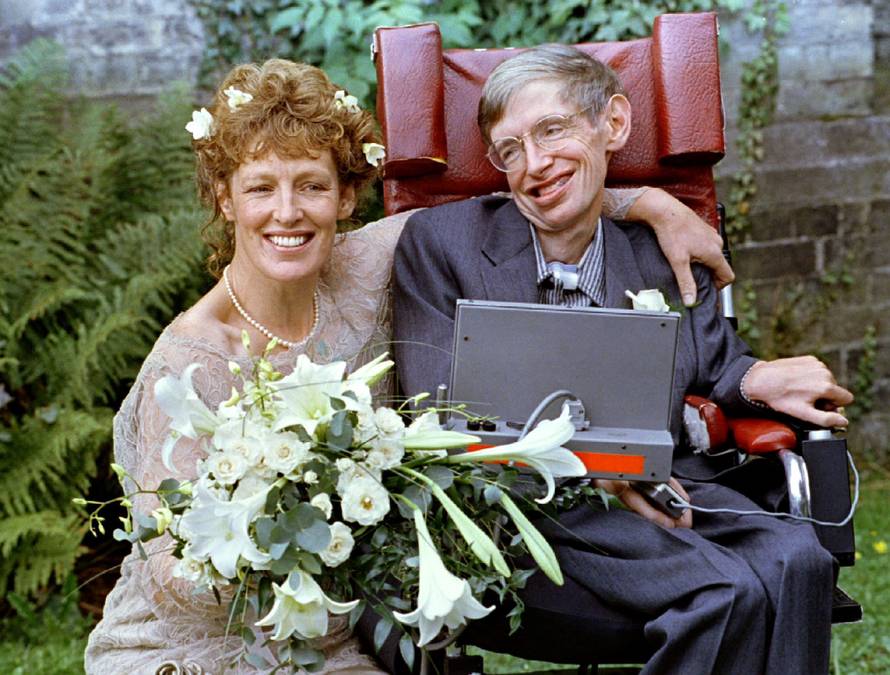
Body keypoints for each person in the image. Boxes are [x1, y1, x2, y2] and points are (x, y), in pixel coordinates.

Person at [84, 57, 732, 674]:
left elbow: (530, 202)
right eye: (260, 188)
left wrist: (651, 205)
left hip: (341, 631)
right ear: (225, 200)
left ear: (345, 197)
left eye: (312, 185)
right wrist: (310, 521)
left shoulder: (370, 261)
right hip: (209, 641)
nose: (287, 212)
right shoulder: (191, 362)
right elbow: (174, 579)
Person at [392, 45, 854, 673]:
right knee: (727, 594)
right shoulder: (442, 245)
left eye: (552, 130)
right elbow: (438, 409)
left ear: (612, 124)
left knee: (801, 559)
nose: (535, 164)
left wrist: (756, 380)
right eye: (510, 150)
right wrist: (595, 469)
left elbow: (712, 363)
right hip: (528, 507)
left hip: (668, 487)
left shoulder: (661, 250)